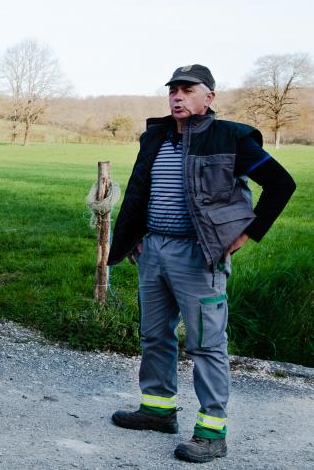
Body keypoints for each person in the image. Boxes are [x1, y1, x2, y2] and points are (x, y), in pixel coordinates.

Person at [107, 64, 296, 463]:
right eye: (173, 89)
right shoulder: (155, 136)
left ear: (209, 97)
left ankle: (212, 432)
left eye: (187, 89)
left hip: (199, 255)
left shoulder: (232, 138)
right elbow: (142, 189)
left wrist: (243, 235)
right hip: (153, 251)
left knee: (206, 345)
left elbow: (281, 184)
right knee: (154, 335)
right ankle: (157, 410)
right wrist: (138, 237)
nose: (177, 96)